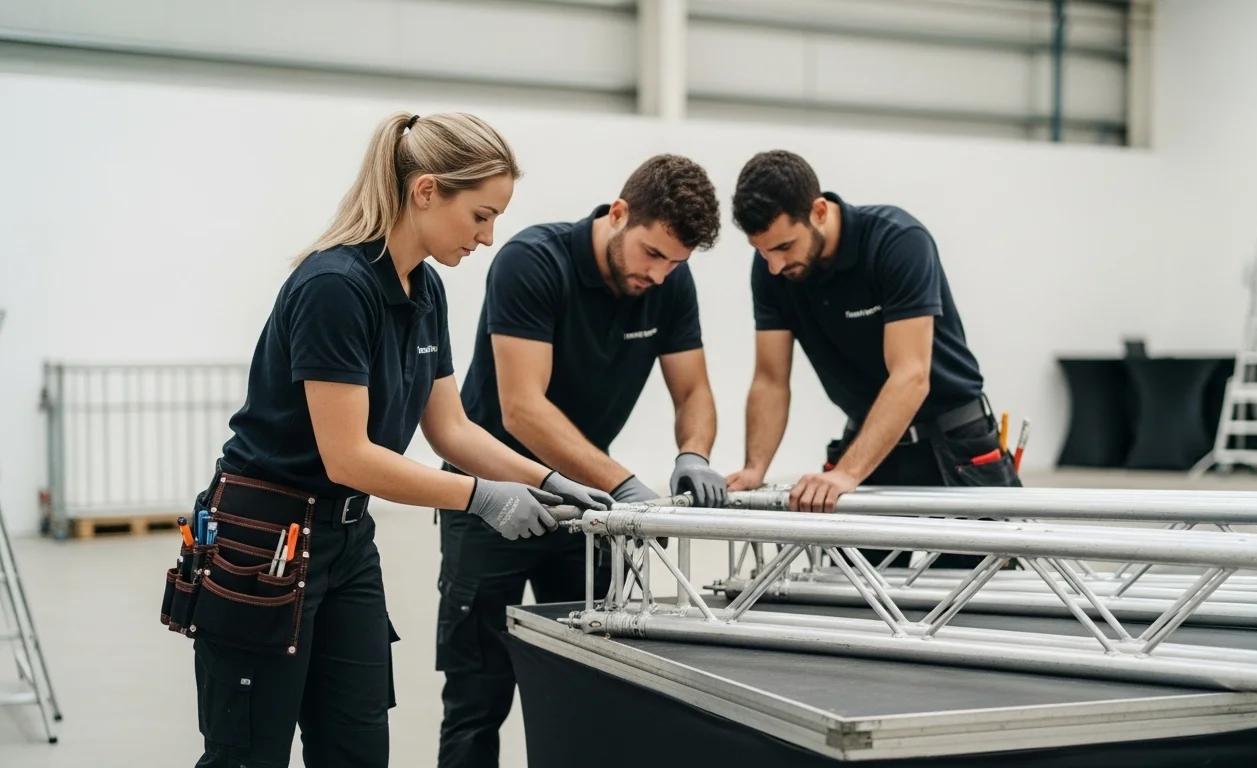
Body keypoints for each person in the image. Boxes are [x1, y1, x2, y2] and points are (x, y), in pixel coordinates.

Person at [160, 111, 614, 768]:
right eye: (480, 216)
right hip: (269, 543)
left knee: (357, 747)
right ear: (425, 190)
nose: (489, 238)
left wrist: (545, 479)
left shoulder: (425, 288)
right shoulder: (334, 287)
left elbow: (451, 428)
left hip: (347, 545)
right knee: (246, 755)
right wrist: (482, 498)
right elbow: (349, 456)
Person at [435, 153, 728, 767]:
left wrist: (694, 452)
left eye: (677, 262)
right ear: (618, 214)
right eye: (652, 254)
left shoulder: (670, 282)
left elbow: (694, 389)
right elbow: (522, 409)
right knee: (477, 695)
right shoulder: (533, 263)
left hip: (587, 506)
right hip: (492, 500)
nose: (662, 273)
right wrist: (625, 484)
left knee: (591, 685)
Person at [724, 149, 1020, 567]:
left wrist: (846, 474)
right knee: (856, 603)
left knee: (986, 601)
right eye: (763, 250)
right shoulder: (773, 271)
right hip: (871, 442)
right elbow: (771, 380)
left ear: (819, 211)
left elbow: (911, 375)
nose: (774, 265)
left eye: (785, 246)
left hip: (955, 447)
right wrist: (755, 468)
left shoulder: (897, 241)